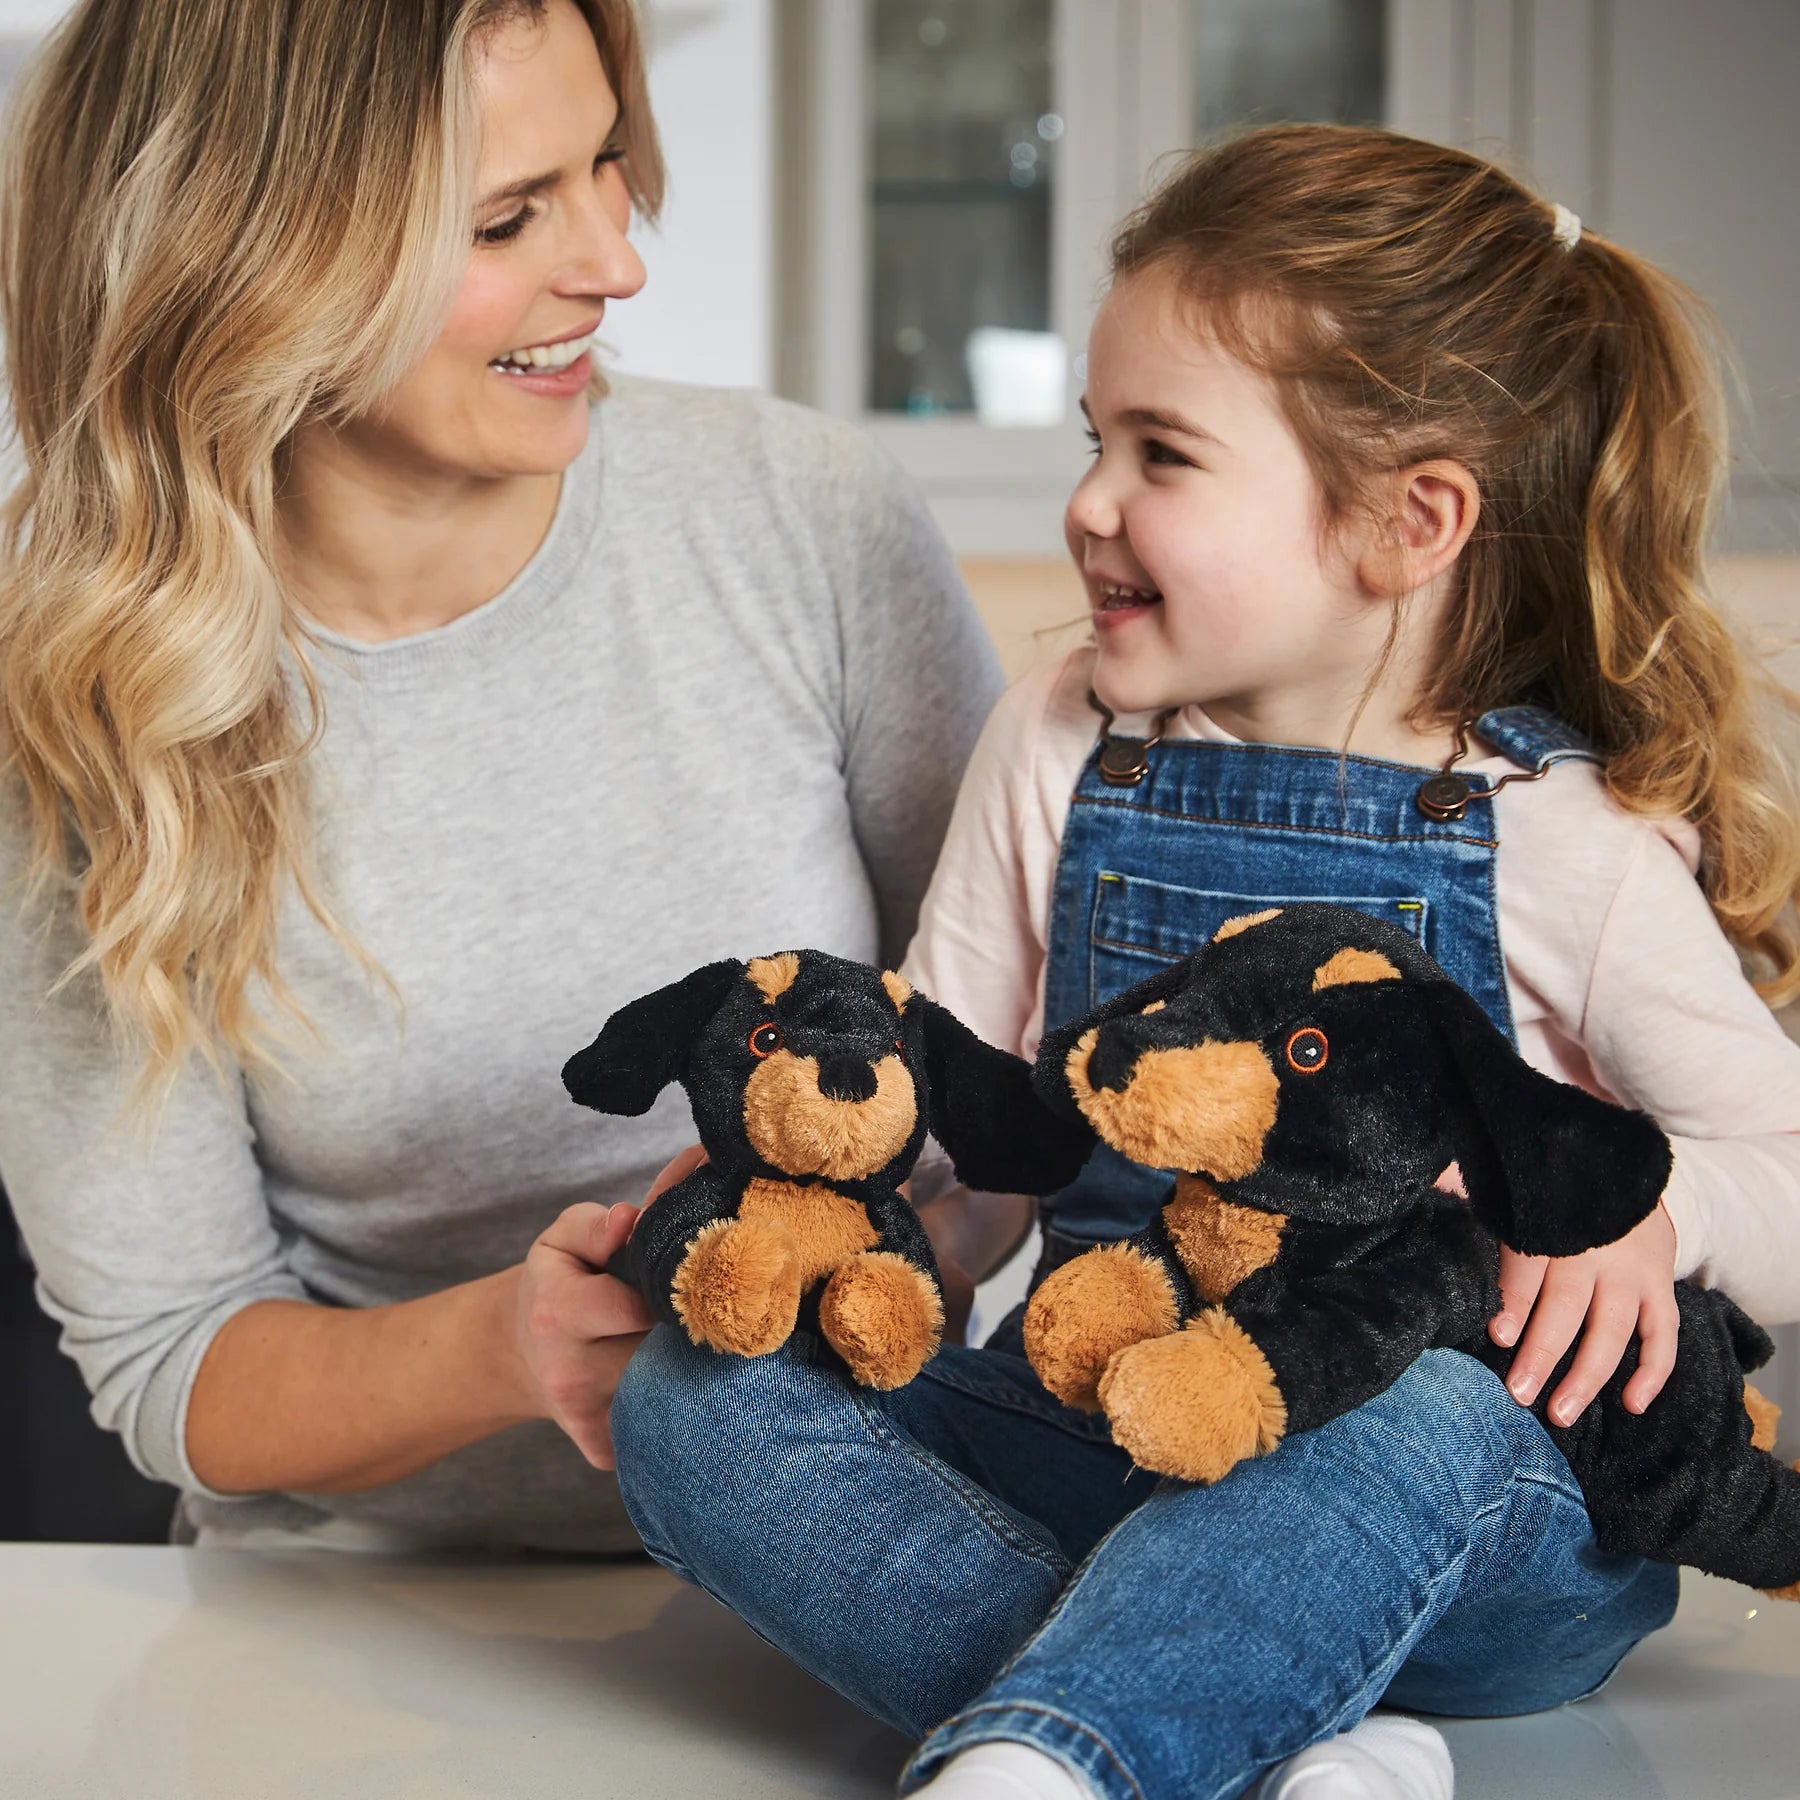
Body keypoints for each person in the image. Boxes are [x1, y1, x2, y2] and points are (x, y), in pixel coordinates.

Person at [610, 125, 1800, 1800]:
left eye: (1162, 454)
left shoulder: (1562, 842)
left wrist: (1654, 1224)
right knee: (684, 1400)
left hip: (1475, 1511)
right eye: (1096, 439)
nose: (1089, 503)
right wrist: (831, 1217)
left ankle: (1069, 1752)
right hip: (1121, 1439)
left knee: (1420, 1415)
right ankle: (1244, 1720)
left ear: (1408, 522)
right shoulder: (1054, 744)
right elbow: (973, 1155)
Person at [0, 0, 1002, 1552]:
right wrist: (510, 1348)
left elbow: (1023, 1071)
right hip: (367, 1609)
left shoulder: (802, 514)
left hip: (876, 1546)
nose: (615, 262)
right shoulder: (89, 695)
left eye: (604, 165)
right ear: (251, 262)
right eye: (505, 217)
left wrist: (878, 1279)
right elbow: (170, 1358)